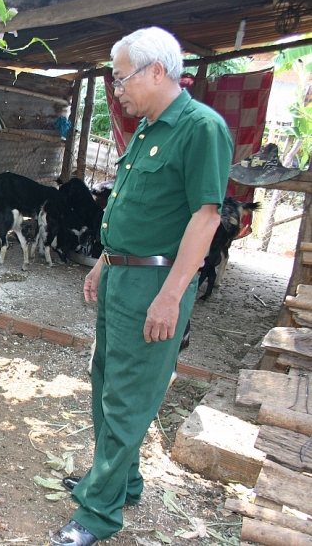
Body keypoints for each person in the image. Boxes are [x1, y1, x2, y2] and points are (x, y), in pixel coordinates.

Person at [49, 27, 233, 546]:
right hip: (122, 274)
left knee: (129, 397)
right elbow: (139, 211)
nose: (116, 87)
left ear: (157, 71)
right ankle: (120, 482)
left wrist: (172, 294)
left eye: (122, 76)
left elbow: (204, 219)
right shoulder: (151, 130)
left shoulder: (201, 128)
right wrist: (103, 261)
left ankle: (98, 514)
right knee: (107, 381)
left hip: (156, 282)